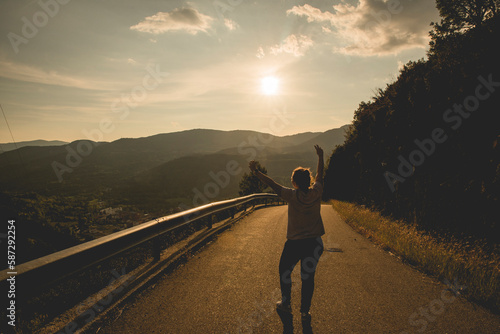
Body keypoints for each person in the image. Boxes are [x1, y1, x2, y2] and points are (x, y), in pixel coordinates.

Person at [248, 145, 325, 319]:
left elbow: (271, 183)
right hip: (314, 243)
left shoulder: (291, 195)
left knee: (284, 270)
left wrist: (256, 172)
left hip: (295, 243)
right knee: (308, 277)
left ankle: (286, 303)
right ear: (309, 180)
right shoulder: (317, 191)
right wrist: (321, 157)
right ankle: (305, 311)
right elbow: (320, 175)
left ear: (294, 182)